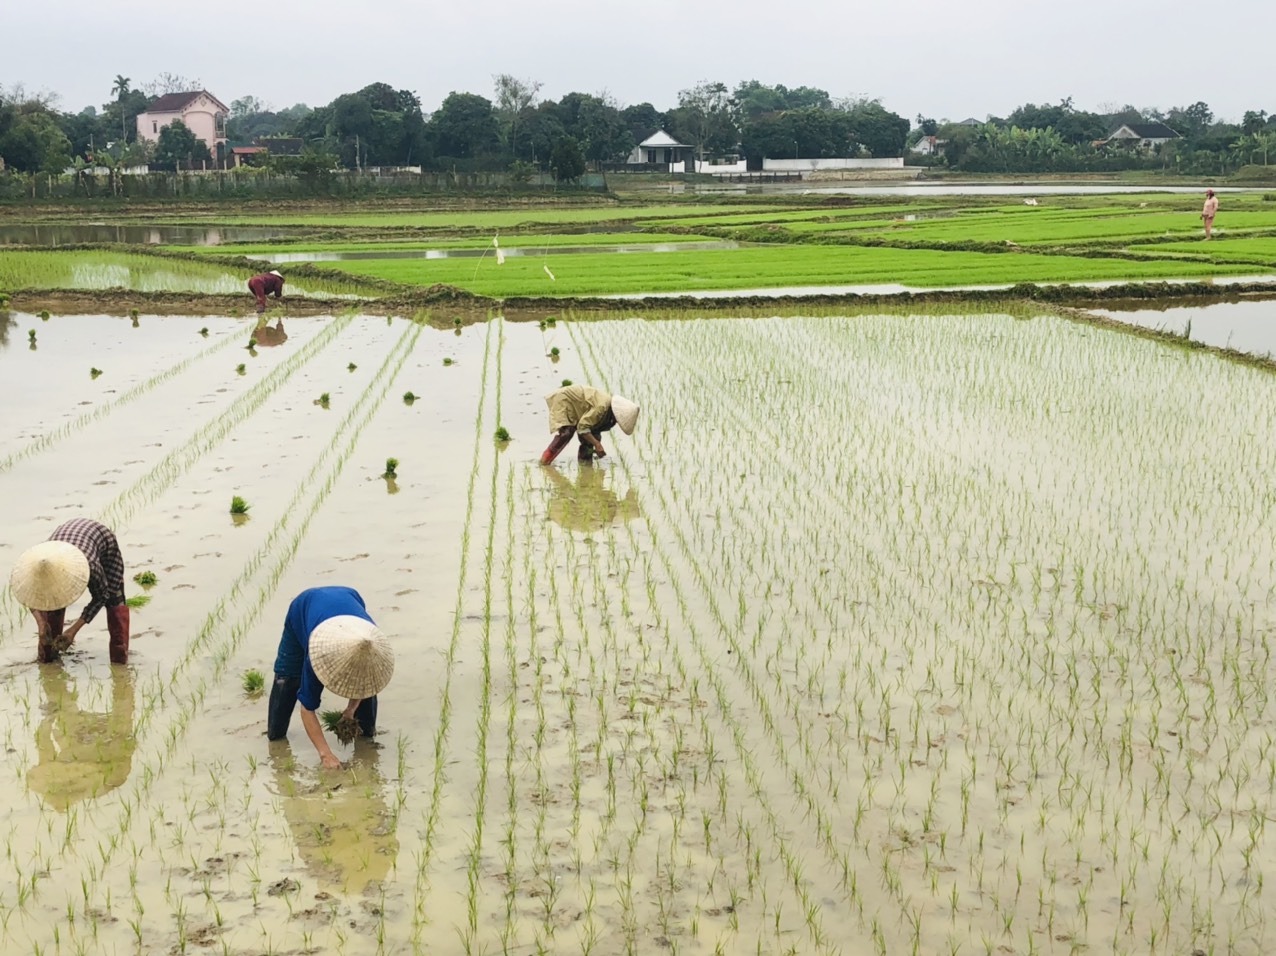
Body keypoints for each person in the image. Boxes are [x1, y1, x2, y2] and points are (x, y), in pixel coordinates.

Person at [267, 586, 394, 769]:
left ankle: (366, 741)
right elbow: (307, 709)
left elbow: (364, 681)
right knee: (287, 678)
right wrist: (325, 754)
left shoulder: (370, 644)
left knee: (366, 703)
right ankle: (275, 736)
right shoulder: (318, 655)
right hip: (303, 608)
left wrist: (350, 710)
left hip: (350, 597)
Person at [11, 518, 131, 664]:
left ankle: (120, 659)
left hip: (103, 542)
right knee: (53, 603)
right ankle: (49, 658)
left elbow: (101, 596)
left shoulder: (91, 566)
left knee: (114, 600)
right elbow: (29, 595)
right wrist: (41, 625)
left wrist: (73, 630)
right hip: (62, 544)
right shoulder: (35, 565)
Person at [540, 384, 640, 464]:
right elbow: (582, 428)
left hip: (580, 407)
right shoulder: (601, 408)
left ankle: (585, 466)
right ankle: (545, 461)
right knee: (567, 433)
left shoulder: (609, 417)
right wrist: (597, 444)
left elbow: (594, 429)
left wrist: (596, 443)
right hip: (565, 399)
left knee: (589, 440)